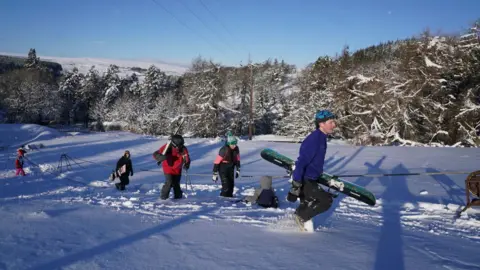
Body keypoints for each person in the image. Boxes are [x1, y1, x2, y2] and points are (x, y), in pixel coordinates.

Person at [287, 109, 337, 232]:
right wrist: (296, 186)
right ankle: (300, 218)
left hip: (312, 178)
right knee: (326, 201)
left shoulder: (322, 137)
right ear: (321, 124)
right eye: (331, 122)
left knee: (308, 203)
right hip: (305, 179)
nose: (334, 125)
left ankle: (297, 225)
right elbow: (301, 162)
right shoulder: (314, 139)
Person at [153, 134, 190, 200]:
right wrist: (159, 157)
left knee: (176, 183)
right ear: (174, 144)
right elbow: (155, 154)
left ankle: (178, 198)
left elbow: (186, 157)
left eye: (181, 145)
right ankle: (163, 198)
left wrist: (187, 164)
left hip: (178, 169)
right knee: (169, 182)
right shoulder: (167, 147)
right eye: (178, 146)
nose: (179, 147)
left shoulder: (183, 149)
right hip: (168, 168)